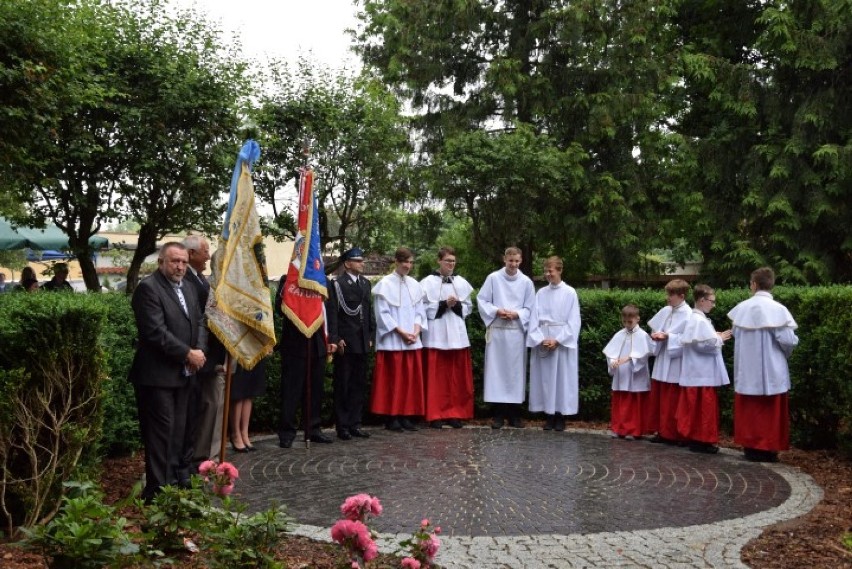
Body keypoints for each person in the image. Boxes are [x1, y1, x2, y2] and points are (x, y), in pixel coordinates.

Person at [128, 242, 205, 502]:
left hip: (184, 374)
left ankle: (173, 484)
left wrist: (200, 351)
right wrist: (187, 353)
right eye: (174, 261)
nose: (180, 266)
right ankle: (157, 492)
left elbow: (200, 321)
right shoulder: (148, 289)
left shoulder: (190, 288)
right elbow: (154, 332)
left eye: (183, 261)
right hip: (156, 377)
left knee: (180, 433)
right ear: (161, 261)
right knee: (161, 436)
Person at [728, 267, 799, 463]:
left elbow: (737, 335)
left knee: (750, 411)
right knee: (770, 412)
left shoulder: (741, 309)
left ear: (753, 284)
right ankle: (768, 448)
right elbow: (788, 340)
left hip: (747, 370)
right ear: (771, 284)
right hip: (772, 370)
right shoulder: (779, 310)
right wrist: (783, 355)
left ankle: (750, 447)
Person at [370, 247, 427, 432]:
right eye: (405, 262)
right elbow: (382, 314)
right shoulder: (385, 284)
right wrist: (401, 332)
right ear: (397, 261)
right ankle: (392, 416)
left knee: (409, 381)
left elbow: (420, 312)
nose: (408, 266)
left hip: (412, 339)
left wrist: (416, 331)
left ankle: (406, 415)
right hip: (393, 340)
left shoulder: (415, 284)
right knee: (393, 381)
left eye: (411, 262)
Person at [478, 246, 535, 429]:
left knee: (514, 374)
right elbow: (482, 300)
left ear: (521, 261)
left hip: (516, 333)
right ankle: (498, 414)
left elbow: (530, 308)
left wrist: (517, 314)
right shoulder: (493, 278)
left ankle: (514, 414)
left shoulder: (526, 282)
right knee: (497, 373)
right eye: (511, 261)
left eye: (517, 261)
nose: (513, 264)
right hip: (498, 331)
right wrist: (497, 310)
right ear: (505, 259)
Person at [182, 236, 227, 463]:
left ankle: (207, 457)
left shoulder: (201, 279)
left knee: (211, 407)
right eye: (205, 251)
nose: (208, 256)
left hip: (209, 356)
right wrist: (201, 353)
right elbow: (199, 320)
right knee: (201, 409)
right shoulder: (187, 280)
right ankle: (201, 458)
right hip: (199, 357)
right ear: (191, 253)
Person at [276, 274, 334, 448]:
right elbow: (279, 309)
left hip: (318, 344)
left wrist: (332, 338)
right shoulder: (289, 278)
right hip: (295, 343)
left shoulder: (323, 281)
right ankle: (287, 432)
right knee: (291, 391)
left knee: (315, 391)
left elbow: (330, 311)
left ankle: (313, 429)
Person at [420, 246, 474, 429]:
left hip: (456, 333)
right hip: (436, 333)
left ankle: (454, 413)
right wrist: (443, 304)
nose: (451, 264)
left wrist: (457, 305)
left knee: (455, 378)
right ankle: (435, 414)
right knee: (437, 378)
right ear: (439, 261)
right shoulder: (427, 282)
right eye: (447, 261)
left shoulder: (460, 281)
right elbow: (423, 308)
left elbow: (468, 307)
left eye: (453, 261)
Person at [527, 256, 581, 431]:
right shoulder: (541, 293)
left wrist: (558, 340)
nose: (547, 274)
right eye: (546, 271)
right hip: (544, 339)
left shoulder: (570, 292)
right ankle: (548, 415)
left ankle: (561, 415)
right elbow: (534, 319)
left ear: (559, 270)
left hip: (561, 341)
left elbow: (574, 321)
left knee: (562, 379)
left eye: (550, 270)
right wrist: (540, 339)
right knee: (546, 379)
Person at [326, 247, 375, 440]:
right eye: (358, 260)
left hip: (362, 340)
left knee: (358, 385)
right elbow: (333, 314)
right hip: (346, 342)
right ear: (347, 263)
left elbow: (368, 312)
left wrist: (371, 335)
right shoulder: (337, 284)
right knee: (343, 385)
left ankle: (355, 423)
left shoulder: (365, 283)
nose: (362, 263)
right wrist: (336, 338)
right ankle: (343, 425)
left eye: (362, 260)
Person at [675, 285, 731, 454]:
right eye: (711, 301)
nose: (713, 305)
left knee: (700, 408)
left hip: (699, 372)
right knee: (703, 409)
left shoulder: (699, 319)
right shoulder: (698, 320)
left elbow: (702, 339)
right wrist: (719, 338)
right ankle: (701, 440)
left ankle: (700, 439)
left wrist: (715, 336)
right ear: (701, 300)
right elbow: (703, 344)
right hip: (701, 373)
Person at [647, 279, 692, 444]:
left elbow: (688, 340)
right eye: (668, 294)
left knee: (673, 400)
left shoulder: (689, 315)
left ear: (681, 296)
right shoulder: (666, 310)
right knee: (660, 398)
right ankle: (662, 431)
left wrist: (668, 337)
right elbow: (654, 328)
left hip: (676, 362)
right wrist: (656, 335)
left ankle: (675, 434)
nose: (668, 298)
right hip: (662, 358)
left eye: (671, 295)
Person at [603, 304, 654, 439]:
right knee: (620, 402)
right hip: (621, 373)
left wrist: (631, 359)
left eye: (630, 321)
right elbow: (610, 352)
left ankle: (634, 430)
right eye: (624, 321)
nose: (627, 324)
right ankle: (619, 428)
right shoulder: (619, 334)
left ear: (637, 319)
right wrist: (613, 361)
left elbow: (646, 354)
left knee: (634, 403)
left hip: (635, 374)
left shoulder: (643, 335)